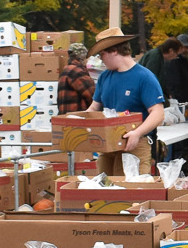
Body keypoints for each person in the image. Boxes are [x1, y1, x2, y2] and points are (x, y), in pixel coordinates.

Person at [87, 28, 168, 158]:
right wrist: (77, 122)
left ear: (114, 51)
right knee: (104, 178)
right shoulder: (104, 77)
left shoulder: (144, 77)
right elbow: (94, 108)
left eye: (102, 54)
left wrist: (137, 133)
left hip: (135, 144)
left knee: (129, 179)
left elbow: (158, 113)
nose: (101, 59)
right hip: (107, 143)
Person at [57, 42, 96, 114]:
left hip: (65, 117)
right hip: (77, 118)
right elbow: (93, 95)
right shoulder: (77, 72)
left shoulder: (66, 70)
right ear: (83, 57)